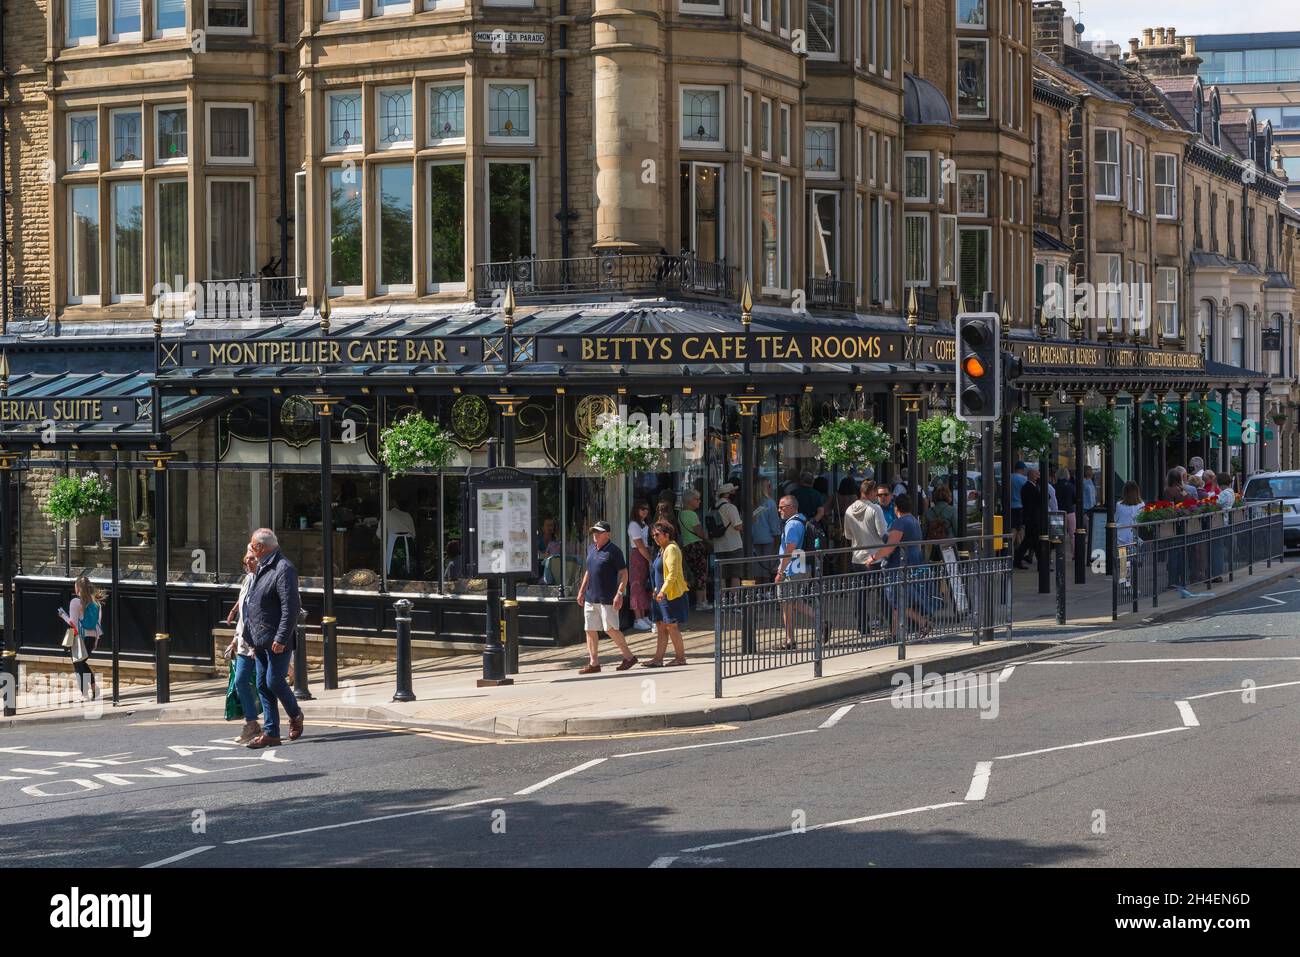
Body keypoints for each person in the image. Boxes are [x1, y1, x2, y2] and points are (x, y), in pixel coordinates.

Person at [243, 528, 304, 749]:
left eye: (252, 545)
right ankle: (271, 733)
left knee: (274, 681)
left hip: (277, 638)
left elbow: (291, 607)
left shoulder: (283, 568)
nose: (250, 548)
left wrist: (281, 637)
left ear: (260, 547)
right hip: (259, 638)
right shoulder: (263, 565)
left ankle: (295, 714)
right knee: (262, 684)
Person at [575, 520, 638, 674]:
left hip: (608, 597)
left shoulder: (614, 551)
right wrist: (582, 590)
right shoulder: (591, 549)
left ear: (607, 534)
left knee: (610, 628)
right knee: (589, 629)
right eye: (594, 532)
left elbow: (624, 574)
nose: (595, 535)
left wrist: (619, 593)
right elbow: (589, 571)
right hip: (591, 597)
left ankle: (629, 657)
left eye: (598, 532)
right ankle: (594, 663)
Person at [866, 494, 931, 639]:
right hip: (912, 563)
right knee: (897, 601)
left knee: (898, 600)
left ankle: (923, 622)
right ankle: (895, 633)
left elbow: (890, 547)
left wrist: (874, 557)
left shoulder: (900, 523)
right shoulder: (914, 521)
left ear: (896, 508)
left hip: (898, 566)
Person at [223, 550, 263, 745]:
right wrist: (234, 638)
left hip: (260, 641)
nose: (248, 560)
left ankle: (291, 716)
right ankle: (252, 723)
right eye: (246, 557)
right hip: (244, 640)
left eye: (252, 557)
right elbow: (244, 604)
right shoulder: (248, 579)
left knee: (268, 684)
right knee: (240, 681)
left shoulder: (264, 578)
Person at [642, 521, 689, 668]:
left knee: (671, 626)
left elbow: (673, 574)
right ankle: (657, 659)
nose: (654, 538)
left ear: (666, 535)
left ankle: (680, 658)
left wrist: (663, 591)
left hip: (670, 594)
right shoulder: (662, 550)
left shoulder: (672, 549)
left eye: (657, 535)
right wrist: (657, 590)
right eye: (653, 535)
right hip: (660, 594)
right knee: (661, 626)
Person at [844, 480, 889, 634]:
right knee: (882, 592)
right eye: (875, 493)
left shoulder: (849, 510)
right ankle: (891, 623)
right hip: (875, 556)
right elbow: (882, 532)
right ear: (870, 493)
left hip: (857, 556)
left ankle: (862, 626)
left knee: (860, 593)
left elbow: (848, 535)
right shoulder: (875, 509)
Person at [774, 495, 813, 650]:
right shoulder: (802, 519)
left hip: (791, 569)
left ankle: (790, 640)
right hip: (800, 566)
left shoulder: (791, 525)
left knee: (786, 603)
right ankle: (821, 621)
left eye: (782, 507)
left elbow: (790, 549)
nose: (779, 510)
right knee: (794, 602)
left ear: (791, 507)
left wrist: (781, 572)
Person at [66, 575, 103, 701]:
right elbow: (98, 623)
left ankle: (85, 694)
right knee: (82, 663)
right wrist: (96, 641)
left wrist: (63, 616)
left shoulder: (75, 602)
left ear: (78, 588)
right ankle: (94, 690)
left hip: (79, 637)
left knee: (78, 664)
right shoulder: (96, 603)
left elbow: (73, 623)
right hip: (91, 638)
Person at [678, 488, 711, 610]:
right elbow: (700, 532)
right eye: (696, 499)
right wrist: (709, 537)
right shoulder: (691, 514)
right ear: (689, 501)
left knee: (697, 573)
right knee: (701, 573)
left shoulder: (681, 513)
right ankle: (701, 602)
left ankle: (703, 600)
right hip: (696, 545)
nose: (699, 502)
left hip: (687, 546)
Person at [626, 501, 655, 632]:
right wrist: (649, 558)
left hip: (645, 553)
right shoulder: (633, 524)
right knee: (637, 586)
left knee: (644, 585)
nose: (645, 511)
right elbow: (639, 544)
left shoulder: (644, 524)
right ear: (636, 510)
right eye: (642, 508)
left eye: (647, 509)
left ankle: (644, 616)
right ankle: (638, 618)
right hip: (638, 555)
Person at [712, 483, 744, 587]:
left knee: (722, 576)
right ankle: (734, 601)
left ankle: (722, 600)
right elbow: (738, 526)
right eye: (733, 492)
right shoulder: (730, 507)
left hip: (718, 545)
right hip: (733, 545)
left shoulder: (713, 507)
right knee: (735, 575)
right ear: (728, 494)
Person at [751, 476, 783, 580]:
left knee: (756, 569)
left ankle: (757, 592)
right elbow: (774, 524)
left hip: (753, 538)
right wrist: (778, 537)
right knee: (767, 568)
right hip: (768, 538)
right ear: (765, 488)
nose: (772, 488)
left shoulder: (751, 503)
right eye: (769, 486)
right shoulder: (770, 503)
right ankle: (765, 592)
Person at [379, 499, 417, 578]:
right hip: (408, 542)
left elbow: (380, 534)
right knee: (409, 567)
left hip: (395, 544)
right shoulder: (407, 515)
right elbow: (413, 534)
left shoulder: (386, 515)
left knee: (395, 568)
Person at [1014, 468, 1042, 569]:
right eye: (1036, 474)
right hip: (1032, 519)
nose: (1038, 476)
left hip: (1032, 518)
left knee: (1028, 542)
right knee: (1035, 542)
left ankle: (1018, 560)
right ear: (1031, 475)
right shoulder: (1029, 487)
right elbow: (1040, 499)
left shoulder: (1031, 487)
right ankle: (1041, 564)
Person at [1055, 467, 1077, 540]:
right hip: (1070, 511)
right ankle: (1074, 551)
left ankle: (1060, 551)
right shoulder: (1071, 486)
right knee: (1073, 535)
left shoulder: (1054, 486)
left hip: (1058, 513)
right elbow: (1075, 499)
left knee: (1058, 536)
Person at [1009, 462, 1028, 545]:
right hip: (1020, 506)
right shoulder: (1024, 479)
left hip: (1009, 506)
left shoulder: (1009, 477)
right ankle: (1016, 550)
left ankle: (1013, 550)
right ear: (1022, 469)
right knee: (1019, 529)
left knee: (1014, 528)